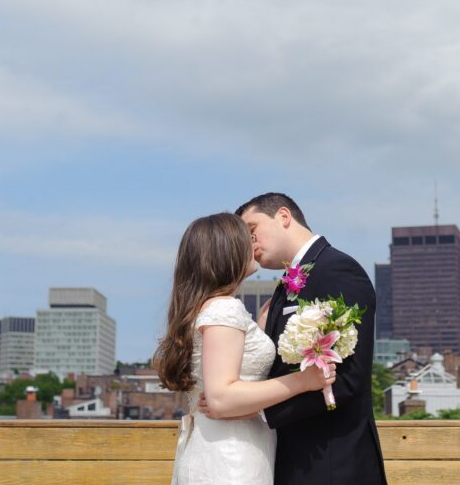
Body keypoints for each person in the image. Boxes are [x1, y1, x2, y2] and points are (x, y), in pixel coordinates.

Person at [201, 193, 388, 485]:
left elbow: (347, 379)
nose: (249, 245)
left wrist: (255, 410)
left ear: (284, 217)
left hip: (331, 465)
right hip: (289, 460)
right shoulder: (284, 288)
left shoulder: (337, 270)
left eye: (252, 231)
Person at [154, 212, 336, 485]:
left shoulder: (210, 308)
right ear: (227, 250)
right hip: (231, 461)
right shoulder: (224, 309)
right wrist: (303, 380)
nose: (254, 244)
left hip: (224, 452)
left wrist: (260, 330)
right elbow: (221, 398)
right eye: (246, 238)